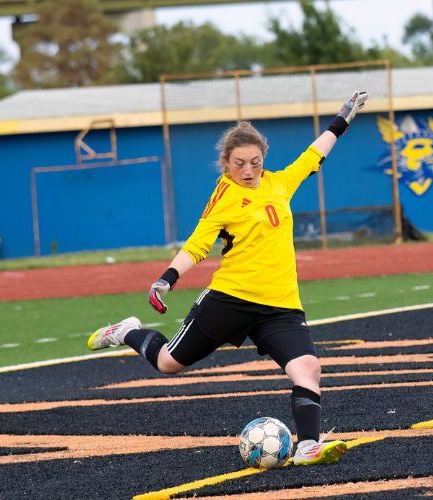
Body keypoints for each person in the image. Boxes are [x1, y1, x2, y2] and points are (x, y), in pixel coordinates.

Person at [88, 90, 368, 466]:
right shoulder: (223, 197)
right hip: (230, 298)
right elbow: (197, 246)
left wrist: (342, 119)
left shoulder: (279, 183)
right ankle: (125, 331)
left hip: (280, 305)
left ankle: (307, 446)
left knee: (308, 368)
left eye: (255, 162)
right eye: (239, 163)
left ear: (263, 160)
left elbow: (315, 153)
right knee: (169, 362)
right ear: (226, 163)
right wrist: (165, 279)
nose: (248, 170)